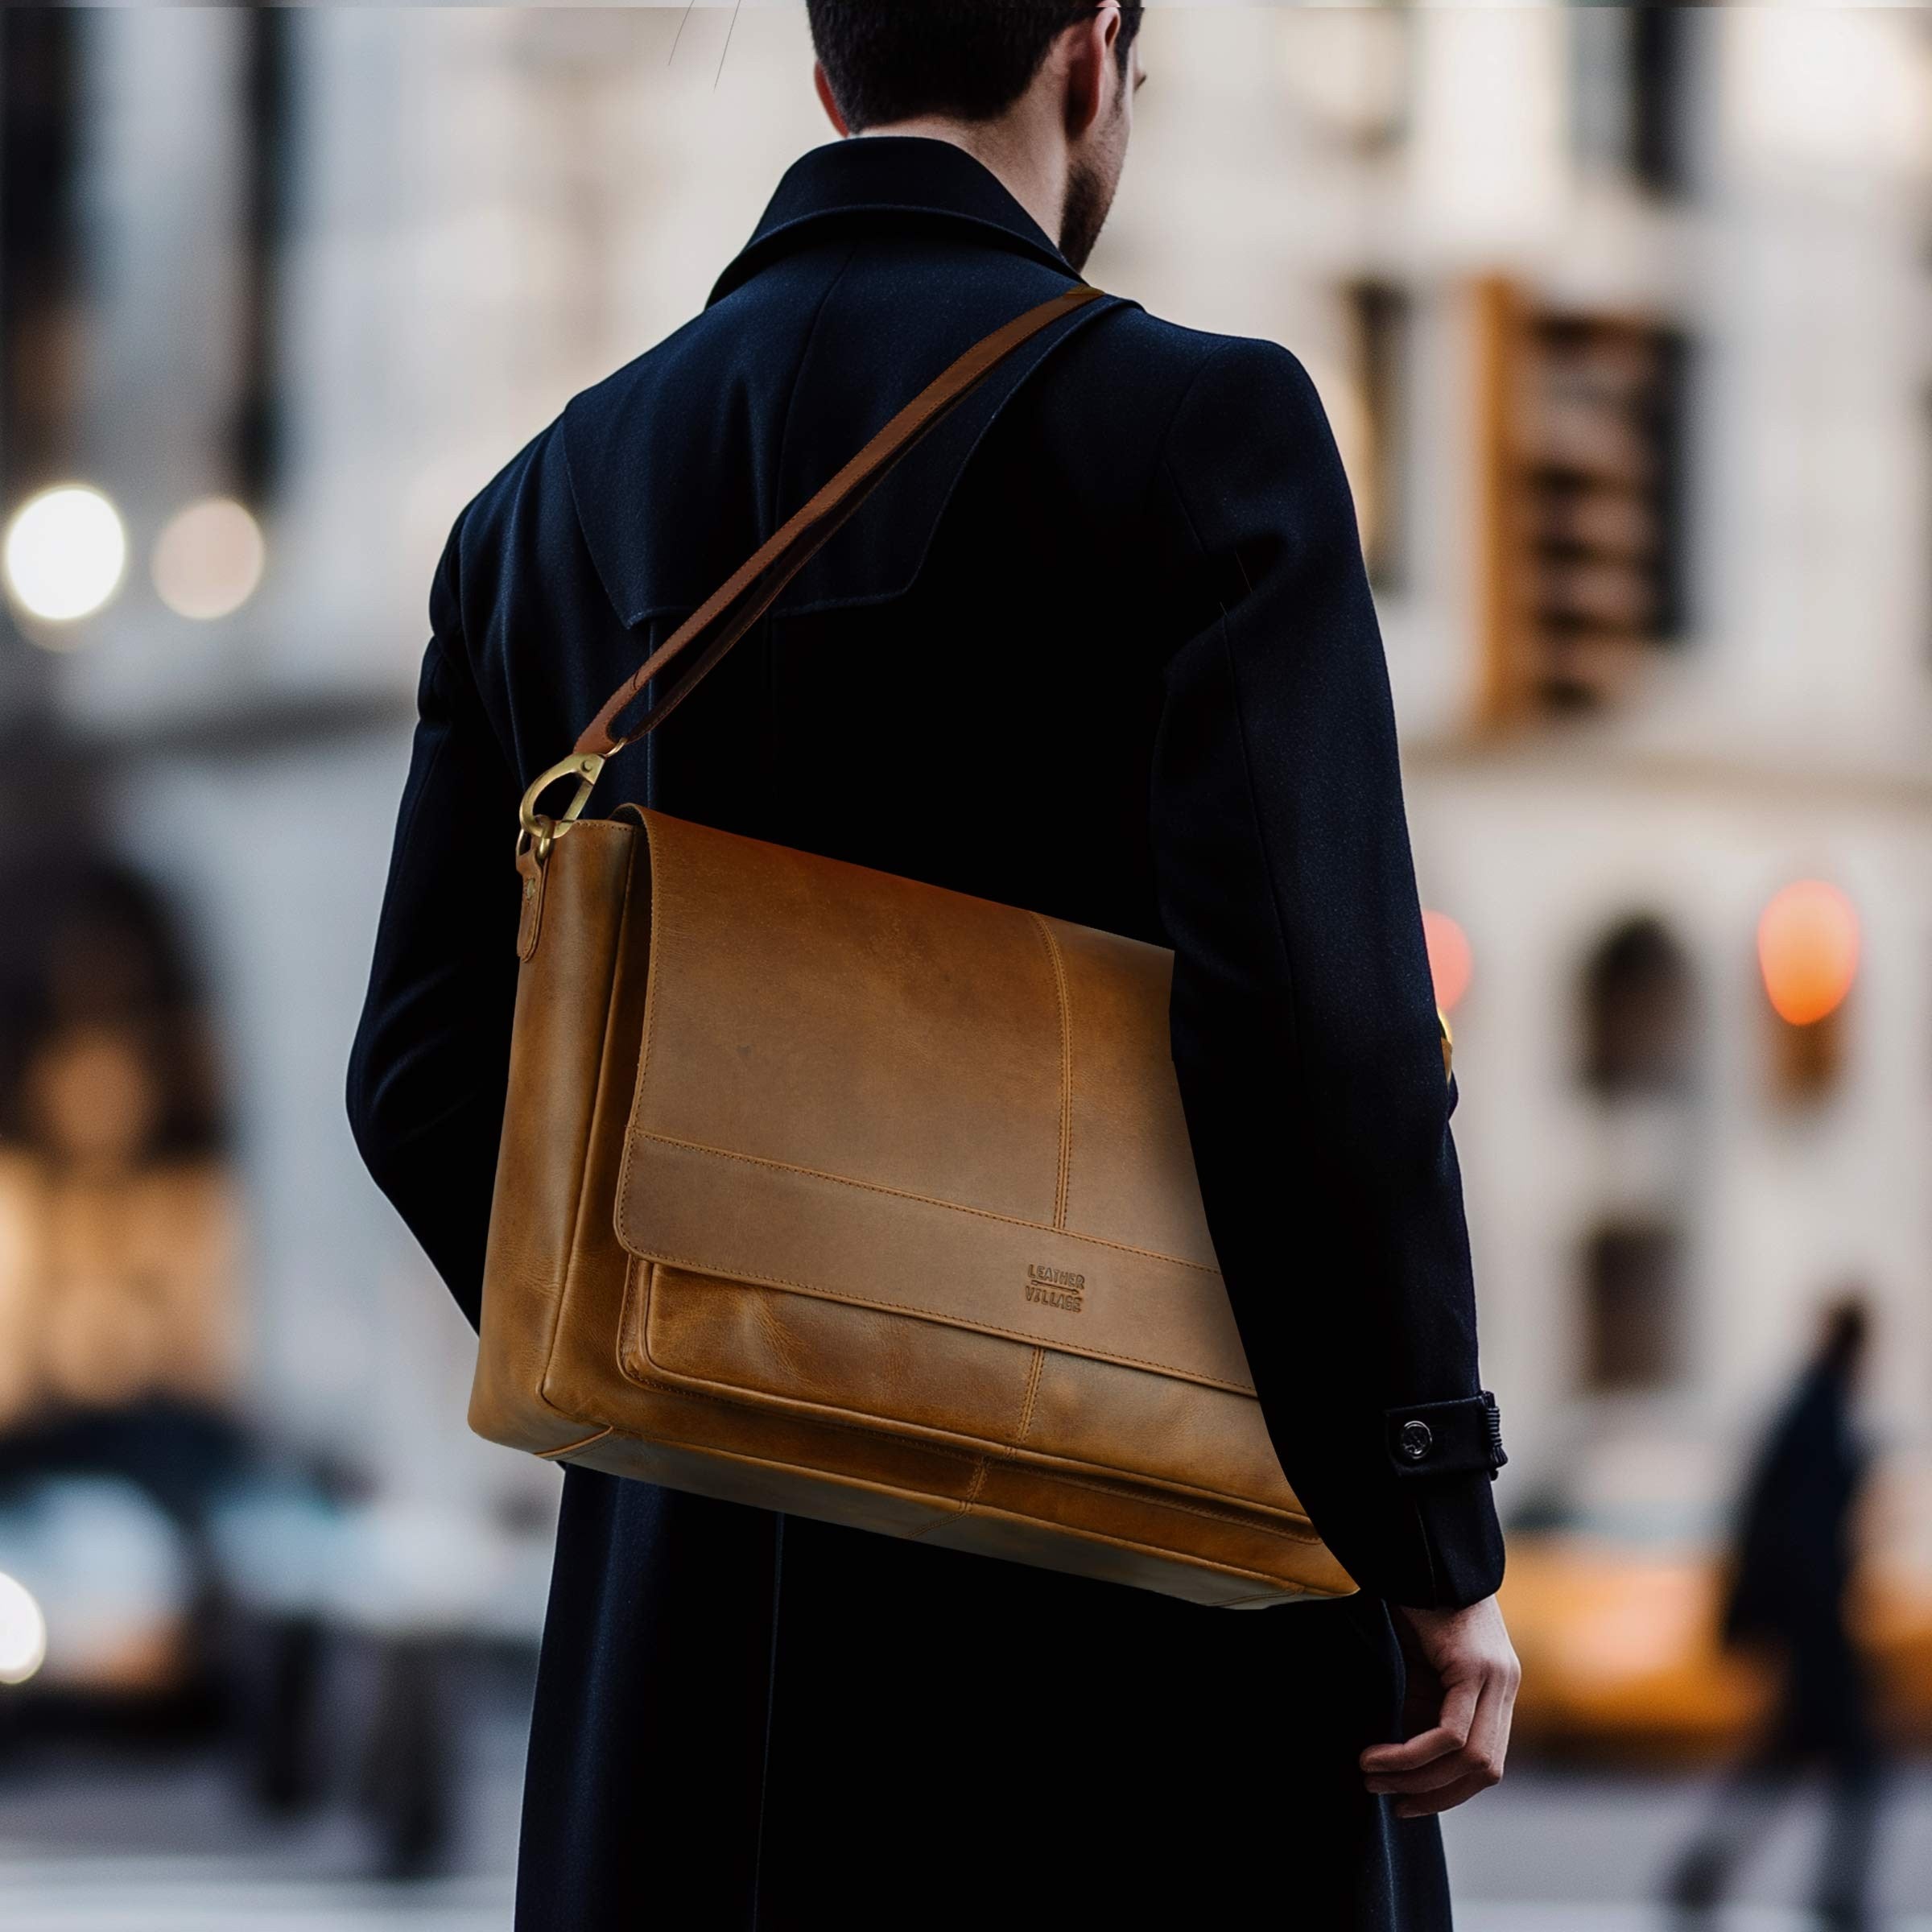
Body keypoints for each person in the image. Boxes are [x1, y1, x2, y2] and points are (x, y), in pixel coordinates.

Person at [347, 5, 1517, 1926]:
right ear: (1089, 54)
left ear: (830, 81)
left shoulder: (526, 515)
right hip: (1137, 1634)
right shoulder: (1203, 430)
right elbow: (1317, 1036)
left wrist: (713, 1347)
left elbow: (413, 1072)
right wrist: (1428, 1525)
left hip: (689, 1655)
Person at [1667, 1297, 1886, 1931]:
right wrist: (1813, 1629)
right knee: (1852, 1767)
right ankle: (1837, 1899)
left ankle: (1704, 1872)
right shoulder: (1818, 1415)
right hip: (1816, 1628)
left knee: (1787, 1761)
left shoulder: (1815, 1408)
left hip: (1811, 1625)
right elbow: (1798, 1536)